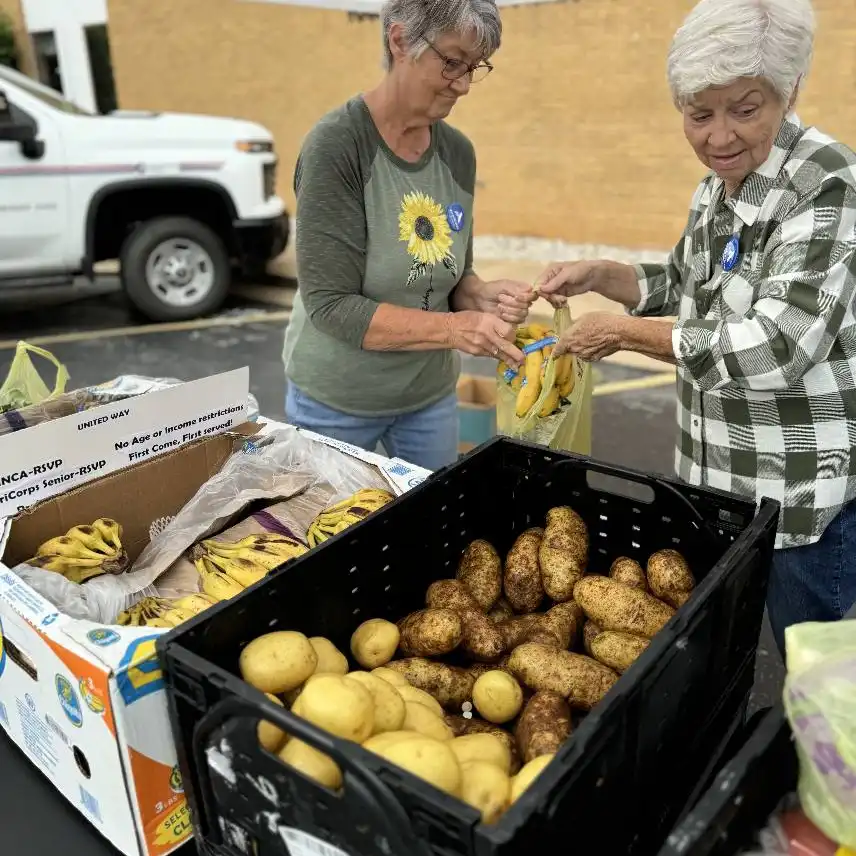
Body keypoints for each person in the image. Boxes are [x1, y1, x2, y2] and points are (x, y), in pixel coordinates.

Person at [535, 0, 856, 656]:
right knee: (727, 661)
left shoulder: (825, 183)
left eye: (745, 109)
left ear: (788, 91)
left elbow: (780, 344)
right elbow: (683, 285)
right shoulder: (717, 187)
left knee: (817, 682)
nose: (719, 136)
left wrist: (624, 334)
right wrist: (602, 273)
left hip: (801, 503)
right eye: (698, 114)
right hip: (720, 488)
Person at [283, 0, 535, 471]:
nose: (463, 84)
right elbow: (331, 305)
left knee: (428, 533)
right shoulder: (338, 145)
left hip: (429, 398)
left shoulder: (458, 153)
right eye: (452, 61)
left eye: (475, 67)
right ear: (400, 41)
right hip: (337, 404)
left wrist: (480, 296)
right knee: (340, 537)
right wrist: (456, 330)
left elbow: (451, 275)